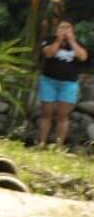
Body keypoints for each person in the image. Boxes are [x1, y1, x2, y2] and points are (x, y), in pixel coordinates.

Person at [37, 15, 88, 148]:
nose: (64, 30)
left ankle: (59, 146)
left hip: (68, 84)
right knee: (46, 113)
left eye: (67, 28)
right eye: (62, 27)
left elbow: (83, 57)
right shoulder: (49, 40)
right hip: (49, 81)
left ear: (72, 30)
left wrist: (71, 41)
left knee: (63, 116)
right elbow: (49, 53)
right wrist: (58, 40)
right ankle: (42, 143)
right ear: (56, 29)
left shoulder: (77, 43)